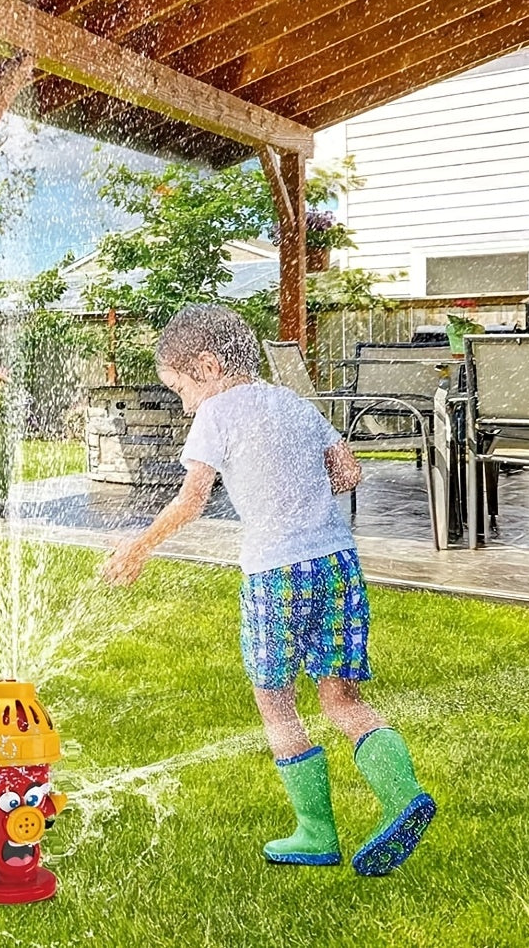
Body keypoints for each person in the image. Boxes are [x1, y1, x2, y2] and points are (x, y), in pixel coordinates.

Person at [102, 304, 435, 876]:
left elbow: (192, 499)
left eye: (180, 388)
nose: (183, 403)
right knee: (341, 699)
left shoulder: (215, 415)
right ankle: (404, 797)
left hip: (275, 575)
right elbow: (349, 473)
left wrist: (138, 546)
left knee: (276, 702)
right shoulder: (294, 403)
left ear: (206, 366)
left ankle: (315, 830)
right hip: (336, 565)